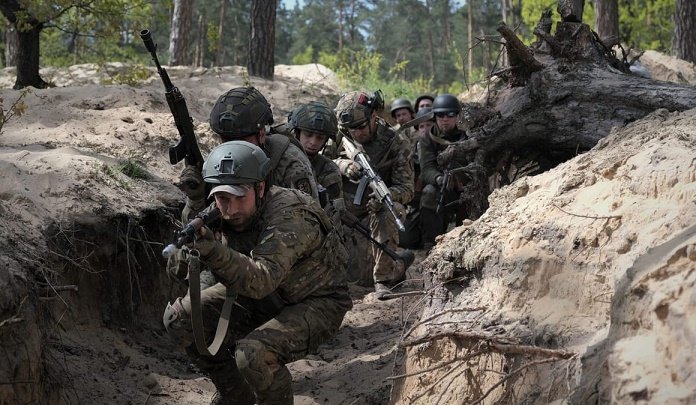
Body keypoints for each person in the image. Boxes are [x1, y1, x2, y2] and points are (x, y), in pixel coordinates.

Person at [163, 140, 352, 404]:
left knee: (253, 354)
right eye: (222, 198)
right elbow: (177, 271)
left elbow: (262, 279)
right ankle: (236, 394)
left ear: (260, 187)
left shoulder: (290, 213)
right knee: (179, 319)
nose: (232, 208)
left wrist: (215, 251)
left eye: (240, 197)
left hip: (316, 302)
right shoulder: (216, 212)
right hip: (264, 297)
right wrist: (191, 249)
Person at [179, 86, 319, 222]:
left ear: (262, 134)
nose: (234, 148)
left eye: (242, 141)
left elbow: (310, 221)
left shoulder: (289, 162)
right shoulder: (219, 162)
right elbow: (194, 228)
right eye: (227, 140)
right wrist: (196, 198)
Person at [334, 90, 415, 299]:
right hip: (341, 211)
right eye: (351, 129)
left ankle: (384, 279)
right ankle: (398, 261)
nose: (357, 134)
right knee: (352, 274)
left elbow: (407, 190)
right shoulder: (339, 134)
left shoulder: (396, 143)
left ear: (374, 116)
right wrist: (343, 165)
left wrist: (385, 196)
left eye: (361, 127)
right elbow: (317, 163)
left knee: (392, 211)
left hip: (373, 216)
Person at [418, 94, 484, 250]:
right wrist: (439, 179)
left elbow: (479, 164)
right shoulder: (428, 138)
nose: (445, 119)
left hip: (465, 185)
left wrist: (464, 179)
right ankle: (431, 243)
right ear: (435, 116)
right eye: (440, 115)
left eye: (450, 114)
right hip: (442, 186)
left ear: (457, 115)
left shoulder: (468, 134)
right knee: (428, 193)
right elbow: (426, 168)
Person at [287, 101, 344, 212]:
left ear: (326, 140)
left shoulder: (328, 170)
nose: (313, 142)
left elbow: (334, 214)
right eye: (308, 135)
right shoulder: (281, 157)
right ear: (297, 133)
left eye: (320, 138)